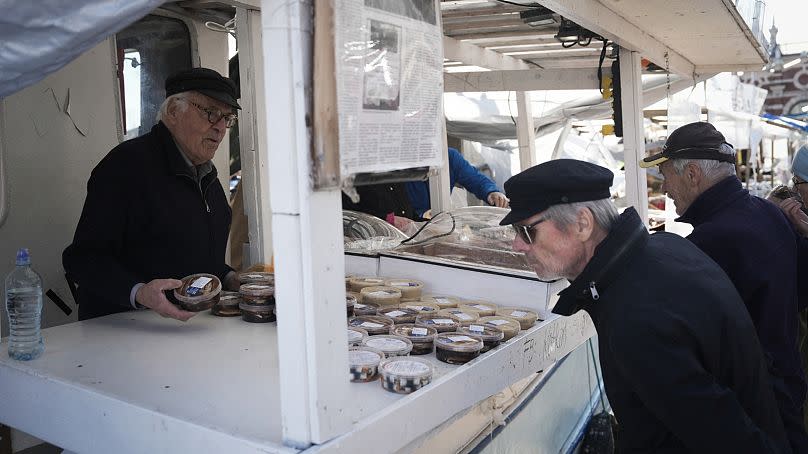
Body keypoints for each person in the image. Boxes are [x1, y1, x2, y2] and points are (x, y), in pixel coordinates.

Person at [500, 159, 790, 453]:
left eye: (526, 232)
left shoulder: (634, 314)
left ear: (582, 224)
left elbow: (729, 438)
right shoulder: (662, 248)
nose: (517, 245)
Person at [640, 122, 808, 453]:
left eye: (666, 176)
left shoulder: (710, 242)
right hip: (786, 389)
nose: (664, 187)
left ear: (691, 175)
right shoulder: (767, 213)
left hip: (752, 409)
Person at [63, 67, 240, 322]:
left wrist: (229, 277)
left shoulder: (206, 176)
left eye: (227, 118)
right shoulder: (125, 166)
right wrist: (139, 293)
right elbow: (82, 258)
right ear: (172, 112)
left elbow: (195, 260)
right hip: (121, 334)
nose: (221, 128)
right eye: (211, 113)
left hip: (186, 333)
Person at [405, 147, 508, 218]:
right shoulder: (399, 161)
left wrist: (492, 192)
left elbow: (474, 178)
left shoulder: (449, 156)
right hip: (405, 224)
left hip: (439, 220)